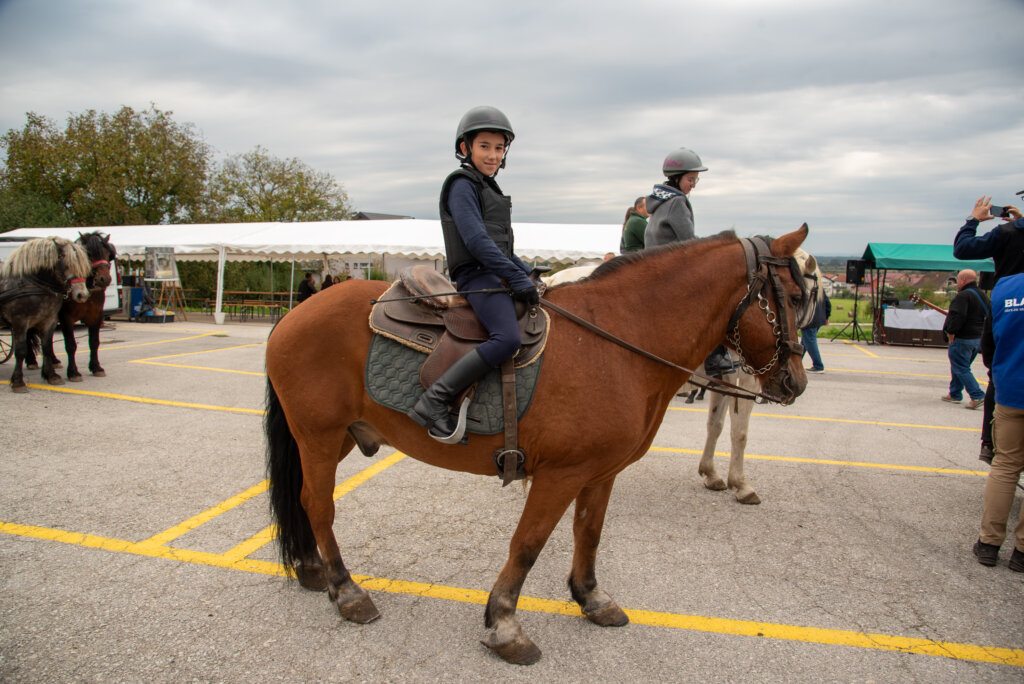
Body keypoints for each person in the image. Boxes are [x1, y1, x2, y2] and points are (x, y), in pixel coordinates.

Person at [407, 106, 539, 443]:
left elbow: (503, 249)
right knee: (507, 339)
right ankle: (434, 401)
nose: (493, 155)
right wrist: (515, 276)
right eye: (485, 146)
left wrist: (529, 273)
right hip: (477, 278)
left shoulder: (489, 188)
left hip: (497, 273)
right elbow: (477, 241)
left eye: (499, 148)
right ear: (465, 148)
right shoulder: (462, 184)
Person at [644, 147, 732, 375]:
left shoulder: (659, 203)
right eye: (691, 179)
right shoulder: (677, 202)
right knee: (720, 297)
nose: (694, 184)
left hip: (657, 269)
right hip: (672, 272)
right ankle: (714, 357)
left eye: (696, 180)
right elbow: (689, 243)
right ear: (677, 178)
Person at [952, 196, 1024, 462]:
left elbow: (963, 248)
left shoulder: (1007, 233)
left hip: (1012, 305)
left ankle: (990, 442)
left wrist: (973, 220)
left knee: (998, 370)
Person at [972, 272, 1024, 572]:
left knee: (1005, 466)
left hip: (1011, 389)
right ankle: (1021, 552)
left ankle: (989, 544)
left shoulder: (1006, 287)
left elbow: (988, 344)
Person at [940, 269, 989, 409]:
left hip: (962, 338)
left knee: (961, 367)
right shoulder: (983, 296)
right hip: (977, 338)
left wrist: (950, 332)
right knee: (960, 365)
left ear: (963, 280)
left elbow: (957, 316)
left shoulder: (963, 296)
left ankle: (977, 395)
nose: (956, 284)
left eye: (958, 280)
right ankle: (955, 393)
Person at [801, 292, 831, 373]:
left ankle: (818, 365)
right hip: (819, 318)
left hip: (809, 318)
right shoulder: (819, 288)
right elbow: (827, 303)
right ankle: (796, 361)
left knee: (810, 341)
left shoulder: (807, 288)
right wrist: (827, 316)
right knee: (805, 341)